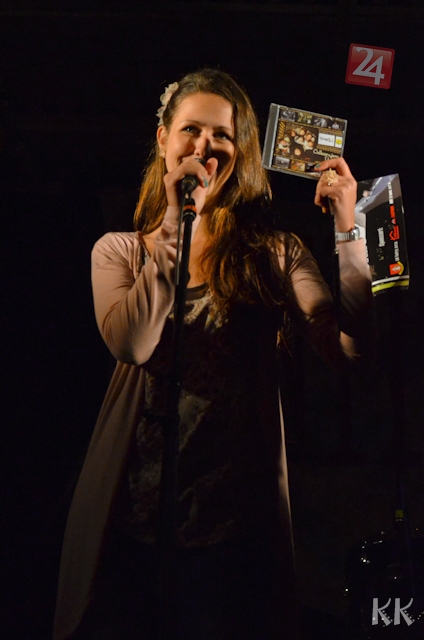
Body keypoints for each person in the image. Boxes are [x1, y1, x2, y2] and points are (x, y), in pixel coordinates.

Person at [53, 68, 374, 640]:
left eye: (221, 135)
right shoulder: (120, 253)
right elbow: (133, 342)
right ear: (163, 141)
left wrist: (349, 229)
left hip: (231, 534)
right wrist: (173, 226)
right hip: (134, 525)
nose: (204, 147)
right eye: (191, 130)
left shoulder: (275, 254)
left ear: (239, 151)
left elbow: (347, 349)